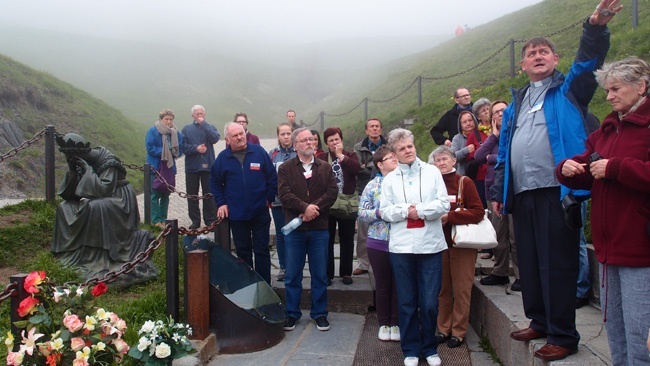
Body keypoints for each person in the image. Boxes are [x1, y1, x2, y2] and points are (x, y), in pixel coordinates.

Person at [490, 1, 617, 361]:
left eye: (544, 51)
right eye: (531, 53)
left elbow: (590, 60)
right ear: (523, 64)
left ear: (556, 59)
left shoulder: (570, 90)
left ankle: (563, 334)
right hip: (523, 192)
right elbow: (504, 150)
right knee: (528, 261)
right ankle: (540, 320)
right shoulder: (516, 101)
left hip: (557, 192)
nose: (538, 55)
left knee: (557, 263)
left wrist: (594, 28)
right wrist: (500, 190)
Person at [556, 55, 649, 365]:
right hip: (609, 249)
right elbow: (589, 163)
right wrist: (567, 168)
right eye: (607, 90)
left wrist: (616, 168)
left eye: (615, 89)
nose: (608, 97)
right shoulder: (608, 129)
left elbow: (616, 169)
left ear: (641, 86)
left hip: (640, 247)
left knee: (641, 331)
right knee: (615, 329)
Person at [380, 128, 449, 366]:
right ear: (394, 153)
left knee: (429, 302)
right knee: (407, 301)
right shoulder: (389, 180)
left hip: (430, 246)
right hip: (401, 248)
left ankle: (429, 348)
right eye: (401, 149)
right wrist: (404, 211)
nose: (407, 151)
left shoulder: (432, 172)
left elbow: (442, 204)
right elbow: (386, 211)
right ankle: (410, 349)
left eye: (409, 146)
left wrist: (418, 210)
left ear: (414, 145)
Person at [52, 133, 157, 285]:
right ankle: (71, 253)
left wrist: (86, 169)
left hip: (119, 199)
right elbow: (70, 195)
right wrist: (73, 171)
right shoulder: (82, 162)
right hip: (101, 196)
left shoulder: (107, 160)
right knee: (64, 207)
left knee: (94, 207)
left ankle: (96, 255)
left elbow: (104, 189)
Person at [278, 127, 338, 332]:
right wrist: (304, 208)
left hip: (319, 228)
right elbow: (284, 195)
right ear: (295, 145)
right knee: (293, 274)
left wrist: (314, 209)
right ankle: (292, 314)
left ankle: (320, 313)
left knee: (319, 274)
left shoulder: (325, 167)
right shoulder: (285, 168)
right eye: (304, 140)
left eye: (311, 140)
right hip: (295, 230)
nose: (309, 143)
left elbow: (332, 192)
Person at [429, 146, 484, 349]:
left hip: (462, 245)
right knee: (442, 289)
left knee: (461, 289)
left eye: (445, 159)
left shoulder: (464, 182)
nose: (441, 163)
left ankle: (459, 332)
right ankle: (443, 328)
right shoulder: (431, 184)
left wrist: (450, 217)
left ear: (454, 161)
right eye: (437, 160)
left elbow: (478, 212)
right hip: (438, 244)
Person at [210, 122, 277, 284]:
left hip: (260, 211)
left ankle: (264, 284)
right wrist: (222, 203)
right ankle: (248, 284)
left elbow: (272, 177)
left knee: (262, 250)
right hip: (237, 214)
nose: (240, 137)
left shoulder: (259, 152)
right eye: (235, 135)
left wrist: (269, 197)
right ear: (227, 139)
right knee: (243, 252)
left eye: (241, 133)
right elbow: (214, 183)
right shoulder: (222, 159)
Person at [474, 101, 520, 291]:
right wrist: (493, 136)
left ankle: (521, 275)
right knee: (498, 234)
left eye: (504, 110)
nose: (500, 114)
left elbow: (510, 158)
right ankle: (500, 272)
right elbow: (478, 156)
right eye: (496, 112)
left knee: (515, 236)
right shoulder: (492, 137)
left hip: (514, 190)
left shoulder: (517, 131)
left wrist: (492, 159)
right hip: (493, 191)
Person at [358, 145, 399, 342]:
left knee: (399, 284)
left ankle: (396, 322)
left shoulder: (404, 182)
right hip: (378, 242)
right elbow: (362, 212)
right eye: (390, 157)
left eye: (395, 156)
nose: (395, 159)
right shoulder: (372, 186)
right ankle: (383, 323)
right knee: (383, 285)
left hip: (402, 241)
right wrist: (379, 213)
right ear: (380, 164)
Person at [316, 127, 361, 285]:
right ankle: (328, 274)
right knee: (326, 240)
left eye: (337, 139)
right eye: (331, 140)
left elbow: (357, 169)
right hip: (327, 206)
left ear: (341, 140)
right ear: (327, 143)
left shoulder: (350, 155)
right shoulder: (321, 157)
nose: (334, 142)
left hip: (346, 204)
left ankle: (346, 273)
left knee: (347, 239)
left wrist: (342, 157)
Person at [353, 118, 388, 276]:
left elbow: (364, 167)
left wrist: (366, 165)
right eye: (371, 127)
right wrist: (378, 164)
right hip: (364, 191)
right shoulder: (359, 148)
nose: (375, 129)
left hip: (386, 192)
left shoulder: (388, 146)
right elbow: (357, 169)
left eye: (377, 126)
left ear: (381, 129)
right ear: (366, 131)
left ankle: (384, 260)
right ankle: (363, 262)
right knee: (363, 230)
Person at [181, 105, 220, 229]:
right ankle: (195, 220)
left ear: (205, 114)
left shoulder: (210, 127)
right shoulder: (186, 129)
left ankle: (209, 219)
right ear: (193, 116)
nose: (200, 116)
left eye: (201, 114)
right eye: (197, 114)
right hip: (192, 167)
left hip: (208, 167)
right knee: (192, 195)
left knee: (209, 194)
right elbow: (183, 147)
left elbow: (215, 138)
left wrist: (204, 124)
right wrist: (196, 149)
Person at [268, 122, 297, 281]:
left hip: (296, 203)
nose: (286, 137)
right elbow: (268, 177)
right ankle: (284, 267)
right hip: (278, 202)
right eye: (282, 134)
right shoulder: (272, 154)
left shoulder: (298, 152)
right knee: (281, 234)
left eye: (288, 133)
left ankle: (295, 265)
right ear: (278, 136)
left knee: (296, 233)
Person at [145, 109, 183, 228]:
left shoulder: (176, 133)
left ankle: (164, 219)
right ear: (161, 119)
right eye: (166, 119)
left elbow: (180, 149)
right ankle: (156, 221)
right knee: (155, 194)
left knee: (166, 195)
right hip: (156, 167)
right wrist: (165, 152)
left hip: (169, 167)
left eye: (171, 119)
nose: (168, 121)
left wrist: (174, 153)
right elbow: (150, 148)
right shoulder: (153, 131)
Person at [450, 111, 479, 176]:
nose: (468, 123)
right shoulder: (457, 138)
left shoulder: (481, 133)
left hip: (482, 174)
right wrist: (466, 150)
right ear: (460, 125)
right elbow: (452, 157)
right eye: (464, 122)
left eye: (470, 120)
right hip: (464, 175)